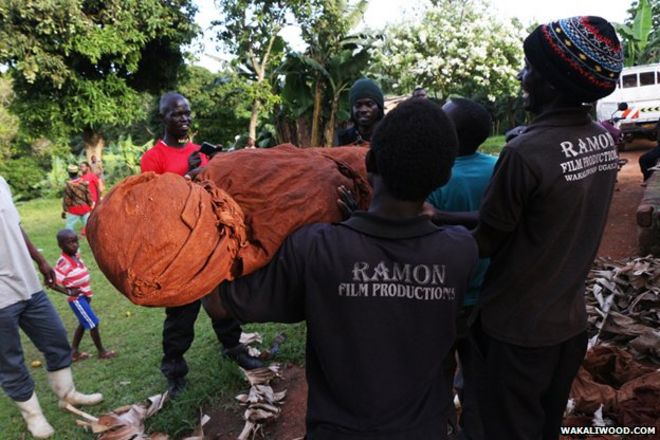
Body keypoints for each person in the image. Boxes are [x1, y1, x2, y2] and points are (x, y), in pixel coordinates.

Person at [204, 98, 478, 439]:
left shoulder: (315, 247)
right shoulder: (460, 251)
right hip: (423, 429)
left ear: (371, 161)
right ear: (445, 176)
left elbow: (217, 304)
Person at [465, 16, 623, 440]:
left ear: (551, 84)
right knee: (543, 427)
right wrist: (440, 216)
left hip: (516, 331)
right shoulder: (603, 140)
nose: (522, 77)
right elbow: (538, 218)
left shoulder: (524, 153)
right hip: (568, 326)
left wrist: (408, 228)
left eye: (529, 68)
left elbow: (486, 241)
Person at [140, 91, 263, 397]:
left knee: (222, 299)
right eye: (176, 114)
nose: (184, 119)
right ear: (163, 118)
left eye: (187, 113)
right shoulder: (153, 158)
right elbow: (155, 204)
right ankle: (175, 370)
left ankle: (232, 347)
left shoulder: (200, 152)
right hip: (178, 245)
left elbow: (213, 192)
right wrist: (186, 174)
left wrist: (216, 165)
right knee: (182, 310)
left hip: (210, 239)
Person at [0, 175, 103, 439]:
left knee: (56, 339)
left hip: (29, 284)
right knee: (10, 360)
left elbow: (15, 227)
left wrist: (40, 260)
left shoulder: (1, 182)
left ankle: (67, 395)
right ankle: (33, 417)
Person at [426, 97, 495, 440]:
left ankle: (443, 427)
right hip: (488, 297)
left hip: (443, 298)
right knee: (478, 377)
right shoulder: (498, 168)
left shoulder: (434, 179)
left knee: (439, 373)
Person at [53, 229, 116, 362]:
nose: (75, 245)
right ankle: (102, 352)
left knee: (83, 323)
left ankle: (74, 352)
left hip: (85, 297)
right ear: (61, 245)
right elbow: (52, 283)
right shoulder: (63, 263)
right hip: (77, 299)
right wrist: (68, 292)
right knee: (93, 323)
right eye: (70, 243)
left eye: (76, 241)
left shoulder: (75, 256)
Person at [335, 78, 384, 146]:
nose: (363, 110)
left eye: (369, 104)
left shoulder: (389, 135)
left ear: (379, 107)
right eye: (358, 105)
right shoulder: (344, 137)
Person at [62, 164, 93, 234]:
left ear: (69, 174)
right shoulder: (84, 183)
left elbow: (67, 199)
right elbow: (88, 195)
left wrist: (65, 210)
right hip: (85, 208)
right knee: (89, 225)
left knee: (69, 225)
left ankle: (69, 238)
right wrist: (90, 204)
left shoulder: (68, 185)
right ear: (77, 172)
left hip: (74, 209)